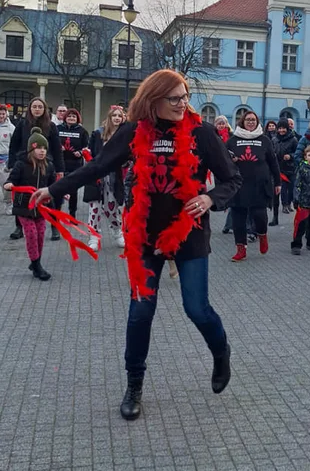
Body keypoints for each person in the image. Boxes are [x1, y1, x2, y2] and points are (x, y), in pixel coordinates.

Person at [30, 69, 241, 420]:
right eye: (174, 98)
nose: (182, 103)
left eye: (185, 96)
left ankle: (221, 352)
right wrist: (54, 189)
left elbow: (232, 178)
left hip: (189, 233)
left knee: (196, 308)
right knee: (141, 311)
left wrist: (210, 199)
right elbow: (97, 166)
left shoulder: (201, 134)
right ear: (153, 100)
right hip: (144, 235)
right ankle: (134, 386)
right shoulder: (132, 133)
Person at [227, 110, 280, 261]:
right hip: (238, 184)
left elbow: (273, 162)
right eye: (248, 119)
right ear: (242, 122)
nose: (250, 122)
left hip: (259, 184)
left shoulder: (264, 140)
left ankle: (262, 235)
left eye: (253, 120)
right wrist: (232, 160)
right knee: (238, 218)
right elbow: (223, 160)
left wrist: (278, 182)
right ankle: (240, 249)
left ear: (257, 122)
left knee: (259, 215)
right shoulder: (233, 140)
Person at [8, 97, 64, 240]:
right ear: (30, 109)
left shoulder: (51, 126)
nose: (37, 109)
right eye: (34, 107)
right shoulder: (22, 124)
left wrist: (60, 169)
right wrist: (12, 164)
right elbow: (14, 145)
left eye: (40, 107)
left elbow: (57, 149)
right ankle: (19, 226)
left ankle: (54, 226)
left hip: (46, 165)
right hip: (25, 163)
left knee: (51, 197)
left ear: (44, 109)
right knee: (22, 198)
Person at [4, 127, 56, 281]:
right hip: (24, 207)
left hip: (41, 207)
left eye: (44, 148)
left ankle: (35, 262)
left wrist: (61, 192)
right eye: (38, 148)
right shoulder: (21, 164)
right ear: (31, 149)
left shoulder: (49, 166)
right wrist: (9, 184)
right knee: (31, 233)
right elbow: (12, 179)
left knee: (40, 234)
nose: (42, 151)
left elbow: (53, 184)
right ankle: (37, 265)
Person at [84, 106, 126, 250]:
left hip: (113, 176)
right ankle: (94, 236)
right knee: (94, 207)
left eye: (119, 116)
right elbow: (90, 152)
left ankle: (117, 232)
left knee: (111, 208)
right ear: (109, 117)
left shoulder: (123, 135)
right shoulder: (98, 134)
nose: (116, 118)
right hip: (97, 175)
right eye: (114, 115)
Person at [56, 108, 89, 218]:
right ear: (65, 117)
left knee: (73, 191)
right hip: (60, 163)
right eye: (69, 116)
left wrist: (80, 152)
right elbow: (51, 142)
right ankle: (57, 213)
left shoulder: (82, 131)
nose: (71, 118)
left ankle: (72, 213)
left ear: (77, 119)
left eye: (73, 116)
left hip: (75, 164)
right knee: (59, 188)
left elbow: (87, 146)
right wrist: (58, 147)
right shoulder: (58, 128)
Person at [273, 118, 298, 215]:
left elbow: (297, 153)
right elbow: (271, 150)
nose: (281, 130)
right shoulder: (275, 139)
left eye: (283, 128)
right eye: (279, 128)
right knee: (283, 188)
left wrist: (290, 156)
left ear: (287, 129)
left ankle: (289, 202)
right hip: (280, 167)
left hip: (291, 167)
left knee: (291, 188)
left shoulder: (293, 139)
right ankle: (284, 205)